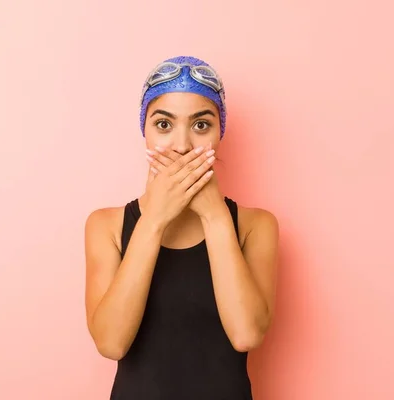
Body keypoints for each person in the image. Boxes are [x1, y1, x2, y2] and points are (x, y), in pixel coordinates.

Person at [84, 55, 279, 399]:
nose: (182, 145)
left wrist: (215, 216)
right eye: (164, 125)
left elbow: (246, 334)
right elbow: (111, 343)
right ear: (144, 129)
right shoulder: (106, 226)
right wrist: (155, 219)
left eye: (201, 125)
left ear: (221, 132)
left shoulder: (256, 225)